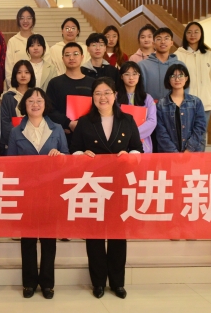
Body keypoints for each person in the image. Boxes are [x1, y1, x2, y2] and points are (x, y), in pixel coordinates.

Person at [70, 77, 143, 300]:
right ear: (92, 97)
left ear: (115, 95)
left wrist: (129, 155)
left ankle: (117, 283)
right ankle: (99, 282)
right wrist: (81, 155)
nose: (103, 97)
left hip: (120, 184)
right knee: (94, 236)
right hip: (93, 185)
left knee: (118, 236)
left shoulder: (127, 120)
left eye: (107, 92)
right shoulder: (84, 122)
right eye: (98, 93)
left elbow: (138, 150)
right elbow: (74, 150)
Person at [7, 87, 68, 299]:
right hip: (27, 192)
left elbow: (67, 158)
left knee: (49, 240)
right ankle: (29, 283)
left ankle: (48, 283)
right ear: (24, 105)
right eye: (30, 101)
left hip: (51, 192)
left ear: (45, 104)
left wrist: (60, 156)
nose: (35, 104)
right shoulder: (16, 131)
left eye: (39, 100)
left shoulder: (57, 129)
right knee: (28, 240)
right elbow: (10, 164)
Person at [174, 21, 211, 141]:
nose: (192, 35)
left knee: (201, 135)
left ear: (201, 34)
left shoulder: (208, 54)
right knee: (185, 135)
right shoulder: (178, 55)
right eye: (189, 32)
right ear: (185, 35)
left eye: (196, 32)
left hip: (205, 103)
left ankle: (200, 155)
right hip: (185, 102)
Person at [46, 42, 95, 138]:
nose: (71, 58)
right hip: (62, 134)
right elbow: (49, 109)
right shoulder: (55, 83)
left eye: (75, 54)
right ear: (62, 59)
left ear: (82, 57)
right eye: (67, 55)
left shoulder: (92, 83)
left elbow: (98, 108)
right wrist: (68, 123)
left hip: (89, 133)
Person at [155, 64, 206, 153]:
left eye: (180, 75)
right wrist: (174, 153)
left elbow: (200, 127)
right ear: (168, 79)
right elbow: (161, 132)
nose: (177, 79)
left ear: (186, 78)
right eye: (173, 76)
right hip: (169, 154)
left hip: (193, 152)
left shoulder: (196, 102)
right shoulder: (161, 104)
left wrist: (189, 149)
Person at [116, 62, 157, 153]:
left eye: (134, 74)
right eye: (127, 74)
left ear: (139, 76)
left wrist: (132, 134)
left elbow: (152, 121)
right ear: (121, 76)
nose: (131, 78)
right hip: (121, 142)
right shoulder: (115, 98)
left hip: (143, 142)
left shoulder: (147, 98)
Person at [138, 27, 184, 102]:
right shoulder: (142, 65)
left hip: (173, 107)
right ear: (153, 44)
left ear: (171, 43)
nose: (163, 42)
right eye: (159, 39)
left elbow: (185, 89)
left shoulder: (180, 65)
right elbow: (138, 91)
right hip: (150, 107)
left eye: (166, 38)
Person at [0, 60, 35, 153]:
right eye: (19, 72)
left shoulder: (36, 95)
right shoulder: (7, 96)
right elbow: (5, 122)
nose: (23, 75)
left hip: (34, 142)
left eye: (27, 72)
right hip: (13, 142)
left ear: (31, 75)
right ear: (14, 75)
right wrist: (17, 139)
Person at [5, 6, 36, 89]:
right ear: (18, 21)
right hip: (17, 89)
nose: (25, 21)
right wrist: (13, 89)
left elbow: (46, 65)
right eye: (22, 18)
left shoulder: (39, 40)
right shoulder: (12, 41)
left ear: (33, 20)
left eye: (29, 18)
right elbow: (9, 68)